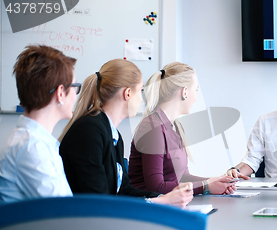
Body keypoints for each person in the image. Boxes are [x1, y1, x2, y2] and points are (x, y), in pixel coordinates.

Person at [59, 59, 193, 208]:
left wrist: (165, 198)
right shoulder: (89, 132)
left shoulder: (113, 135)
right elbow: (97, 200)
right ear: (128, 93)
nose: (142, 99)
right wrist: (158, 201)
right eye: (140, 91)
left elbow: (124, 190)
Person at [127, 62, 236, 195]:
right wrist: (205, 186)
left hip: (169, 204)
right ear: (184, 92)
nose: (196, 97)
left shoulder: (176, 127)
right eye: (195, 90)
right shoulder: (153, 128)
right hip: (147, 208)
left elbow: (182, 178)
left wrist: (216, 181)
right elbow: (156, 187)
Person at [0, 45, 76, 202]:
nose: (76, 96)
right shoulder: (32, 148)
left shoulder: (34, 142)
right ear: (60, 93)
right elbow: (65, 214)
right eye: (75, 87)